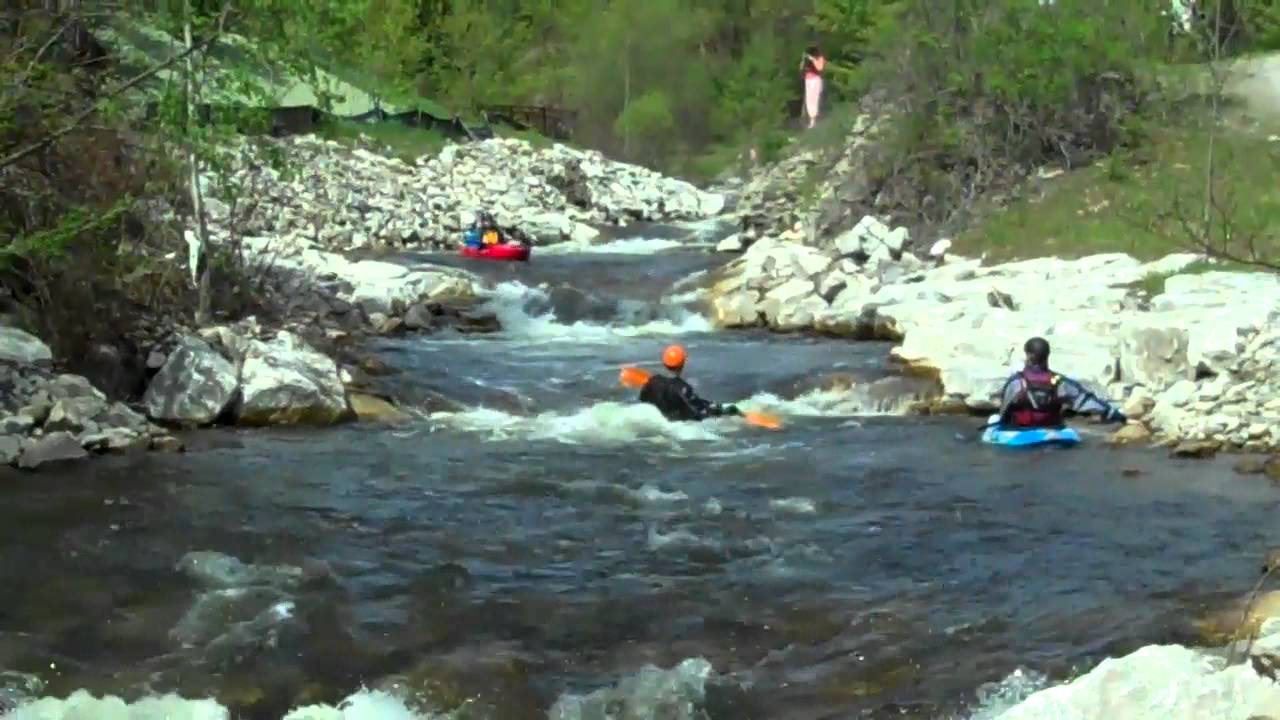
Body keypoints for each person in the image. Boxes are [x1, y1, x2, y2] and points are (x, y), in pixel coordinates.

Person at [994, 336, 1128, 429]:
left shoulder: (1016, 382)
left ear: (1028, 355)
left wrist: (1000, 424)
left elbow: (1004, 410)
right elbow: (1085, 401)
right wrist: (1115, 414)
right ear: (1048, 355)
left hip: (1019, 430)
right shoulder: (1060, 382)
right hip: (1052, 429)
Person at [639, 344, 741, 422]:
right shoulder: (683, 388)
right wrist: (722, 411)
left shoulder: (652, 381)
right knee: (733, 410)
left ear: (664, 363)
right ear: (682, 364)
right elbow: (699, 414)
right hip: (681, 423)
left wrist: (708, 404)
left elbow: (642, 400)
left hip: (664, 419)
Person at [801, 44, 825, 129]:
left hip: (815, 80)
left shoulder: (819, 58)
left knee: (814, 100)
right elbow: (801, 69)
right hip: (808, 80)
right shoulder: (807, 61)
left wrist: (813, 59)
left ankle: (814, 120)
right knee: (809, 100)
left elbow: (820, 68)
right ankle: (812, 120)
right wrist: (804, 60)